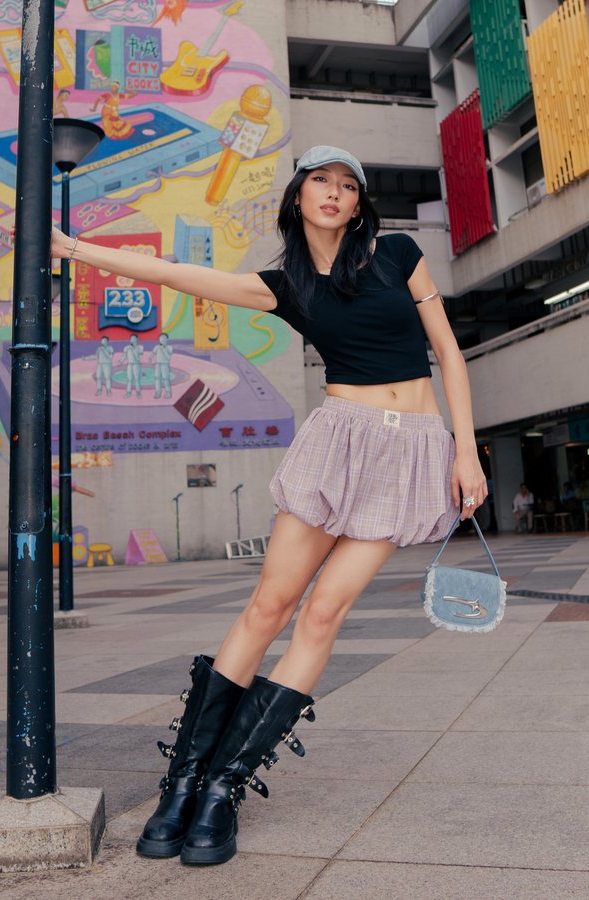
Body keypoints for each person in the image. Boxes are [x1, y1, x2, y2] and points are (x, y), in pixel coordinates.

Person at [50, 145, 487, 866]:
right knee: (269, 607)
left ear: (359, 203)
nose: (334, 193)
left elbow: (449, 353)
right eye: (321, 181)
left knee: (323, 614)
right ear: (298, 196)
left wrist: (464, 451)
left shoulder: (400, 255)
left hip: (410, 449)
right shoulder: (285, 286)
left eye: (348, 185)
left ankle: (223, 787)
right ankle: (182, 784)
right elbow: (177, 274)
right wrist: (74, 248)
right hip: (338, 441)